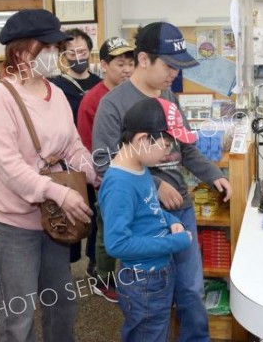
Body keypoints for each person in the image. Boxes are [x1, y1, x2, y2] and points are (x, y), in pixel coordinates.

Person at [93, 22, 232, 342]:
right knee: (150, 300)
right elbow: (103, 162)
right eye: (169, 65)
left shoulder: (169, 95)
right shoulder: (113, 104)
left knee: (191, 292)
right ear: (144, 59)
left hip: (178, 210)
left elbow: (185, 148)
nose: (174, 73)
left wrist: (215, 175)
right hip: (142, 217)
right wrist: (156, 185)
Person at [0, 9, 98, 342]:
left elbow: (72, 146)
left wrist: (95, 173)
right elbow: (9, 167)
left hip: (54, 221)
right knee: (18, 317)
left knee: (61, 304)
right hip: (13, 226)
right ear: (21, 51)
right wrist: (60, 193)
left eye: (55, 47)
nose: (54, 54)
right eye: (47, 47)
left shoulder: (55, 93)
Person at [100, 97, 194, 342]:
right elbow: (117, 244)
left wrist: (169, 218)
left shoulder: (139, 169)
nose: (169, 153)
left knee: (156, 332)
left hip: (157, 272)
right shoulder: (120, 185)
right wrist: (176, 243)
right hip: (143, 281)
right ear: (142, 139)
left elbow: (149, 208)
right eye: (165, 145)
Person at [77, 36, 134, 301]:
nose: (126, 69)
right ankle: (104, 279)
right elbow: (87, 145)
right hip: (106, 177)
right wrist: (103, 178)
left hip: (133, 174)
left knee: (126, 227)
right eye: (120, 63)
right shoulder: (93, 99)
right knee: (107, 229)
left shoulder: (133, 93)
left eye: (130, 63)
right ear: (103, 65)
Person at [51, 28, 102, 267]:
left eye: (81, 51)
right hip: (65, 160)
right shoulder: (54, 86)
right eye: (70, 53)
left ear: (90, 52)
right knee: (69, 207)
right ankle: (66, 260)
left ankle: (94, 260)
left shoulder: (101, 85)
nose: (77, 57)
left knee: (96, 210)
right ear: (63, 55)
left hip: (96, 155)